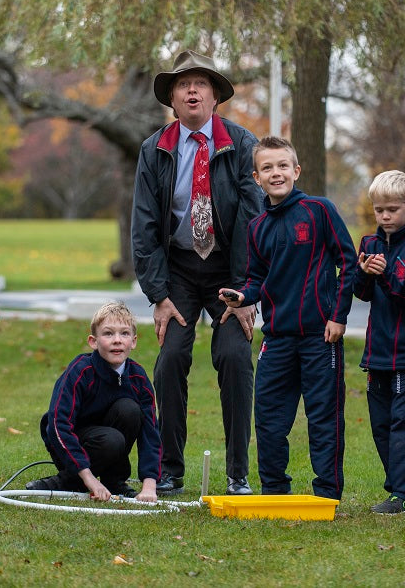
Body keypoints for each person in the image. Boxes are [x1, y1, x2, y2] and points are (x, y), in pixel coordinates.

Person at [131, 50, 263, 496]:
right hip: (180, 273)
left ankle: (238, 474)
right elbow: (144, 226)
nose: (192, 91)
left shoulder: (243, 145)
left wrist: (246, 292)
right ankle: (169, 471)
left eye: (201, 83)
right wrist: (158, 294)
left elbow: (252, 220)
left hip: (230, 270)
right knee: (169, 361)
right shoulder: (155, 149)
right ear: (171, 96)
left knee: (233, 358)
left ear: (215, 96)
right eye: (183, 84)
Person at [220, 136, 356, 500]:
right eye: (268, 168)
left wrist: (338, 316)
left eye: (283, 166)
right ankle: (275, 489)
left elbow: (349, 263)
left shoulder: (319, 210)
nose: (276, 173)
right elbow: (257, 279)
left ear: (296, 170)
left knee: (323, 420)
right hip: (277, 340)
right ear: (256, 177)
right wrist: (242, 296)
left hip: (319, 337)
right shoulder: (257, 226)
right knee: (268, 420)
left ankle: (327, 493)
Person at [25, 302, 162, 502]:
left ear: (133, 341)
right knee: (111, 439)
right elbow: (58, 425)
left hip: (109, 438)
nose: (117, 340)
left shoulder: (138, 378)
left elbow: (150, 432)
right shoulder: (80, 371)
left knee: (130, 410)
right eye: (108, 334)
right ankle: (64, 481)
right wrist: (90, 479)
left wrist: (150, 486)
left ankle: (114, 481)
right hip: (70, 443)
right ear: (93, 341)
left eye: (124, 334)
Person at [354, 170, 405, 514]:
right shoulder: (369, 244)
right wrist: (364, 273)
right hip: (377, 352)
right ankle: (398, 490)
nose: (385, 217)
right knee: (382, 426)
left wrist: (385, 274)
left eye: (392, 210)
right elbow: (361, 292)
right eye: (379, 210)